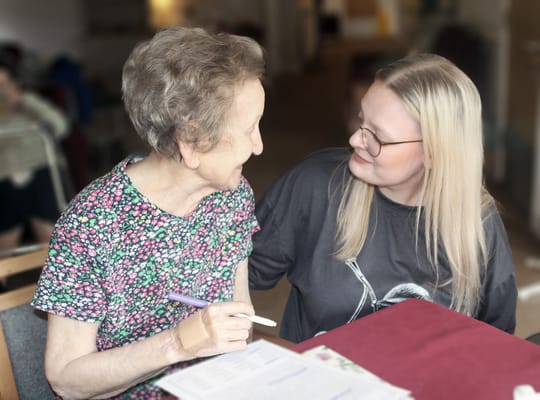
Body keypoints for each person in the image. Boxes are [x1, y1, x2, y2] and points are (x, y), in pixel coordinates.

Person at [31, 26, 265, 399]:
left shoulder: (231, 197)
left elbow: (241, 323)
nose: (259, 147)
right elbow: (65, 378)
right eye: (250, 129)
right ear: (190, 143)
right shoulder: (92, 224)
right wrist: (177, 344)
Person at [249, 53, 517, 343]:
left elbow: (497, 340)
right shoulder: (314, 186)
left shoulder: (478, 222)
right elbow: (231, 274)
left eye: (377, 136)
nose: (355, 140)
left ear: (433, 153)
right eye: (361, 119)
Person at [0, 51, 68, 253]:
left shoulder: (30, 104)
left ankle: (54, 281)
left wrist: (24, 102)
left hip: (41, 171)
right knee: (4, 246)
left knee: (49, 240)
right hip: (5, 179)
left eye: (4, 85)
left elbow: (60, 126)